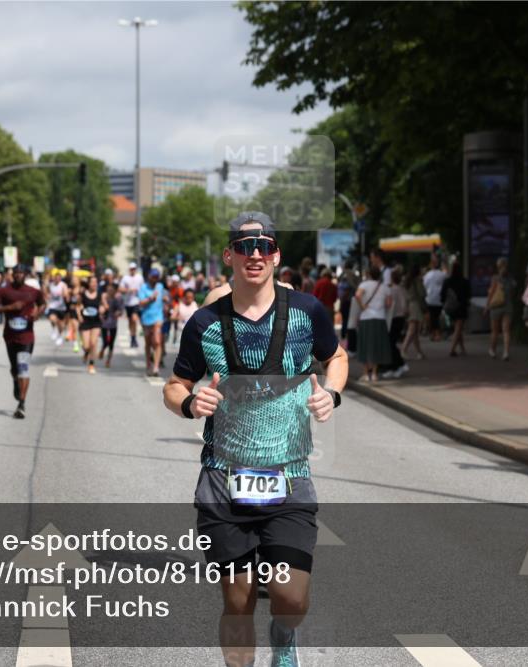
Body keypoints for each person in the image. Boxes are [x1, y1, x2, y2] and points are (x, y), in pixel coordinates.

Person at [163, 211, 348, 667]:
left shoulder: (307, 312)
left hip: (290, 476)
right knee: (239, 599)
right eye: (245, 246)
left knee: (291, 597)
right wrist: (189, 404)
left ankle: (284, 636)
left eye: (264, 246)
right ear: (229, 255)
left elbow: (337, 356)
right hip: (224, 479)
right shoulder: (203, 322)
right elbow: (174, 385)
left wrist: (332, 394)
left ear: (276, 256)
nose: (255, 254)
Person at [0, 264, 45, 419]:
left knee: (23, 368)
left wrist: (38, 314)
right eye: (16, 273)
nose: (19, 275)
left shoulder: (33, 292)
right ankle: (15, 381)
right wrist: (10, 307)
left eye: (22, 273)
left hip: (27, 336)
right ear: (12, 275)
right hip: (10, 336)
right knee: (15, 369)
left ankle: (21, 404)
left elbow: (43, 303)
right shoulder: (4, 290)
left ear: (26, 275)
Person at [355, 264, 392, 382]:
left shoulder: (364, 285)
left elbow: (357, 295)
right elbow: (389, 303)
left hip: (366, 317)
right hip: (380, 318)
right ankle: (375, 373)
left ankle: (366, 373)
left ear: (369, 274)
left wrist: (363, 306)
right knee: (377, 346)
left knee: (365, 345)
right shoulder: (384, 287)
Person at [484, 257, 516, 360]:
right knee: (506, 330)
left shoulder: (495, 279)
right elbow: (513, 294)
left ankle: (492, 350)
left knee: (495, 331)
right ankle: (506, 352)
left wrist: (487, 306)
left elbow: (491, 293)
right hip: (508, 306)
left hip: (496, 307)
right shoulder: (511, 279)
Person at [381, 266, 410, 378]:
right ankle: (396, 366)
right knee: (391, 343)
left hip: (393, 318)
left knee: (390, 343)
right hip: (400, 318)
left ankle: (399, 365)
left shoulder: (392, 290)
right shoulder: (401, 289)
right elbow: (404, 306)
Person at [138, 267, 166, 377]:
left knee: (157, 341)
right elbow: (141, 303)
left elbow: (162, 297)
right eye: (153, 276)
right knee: (148, 343)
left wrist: (165, 299)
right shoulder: (143, 288)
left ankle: (156, 367)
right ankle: (148, 364)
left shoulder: (160, 286)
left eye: (156, 277)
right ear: (149, 277)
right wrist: (150, 299)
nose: (155, 279)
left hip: (158, 318)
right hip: (146, 319)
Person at [441, 261, 471, 357]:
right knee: (458, 328)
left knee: (458, 328)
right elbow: (469, 294)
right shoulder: (465, 281)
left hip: (450, 308)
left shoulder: (447, 281)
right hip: (461, 307)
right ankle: (452, 349)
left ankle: (462, 349)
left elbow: (442, 294)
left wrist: (444, 303)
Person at [77, 275, 103, 375]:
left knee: (93, 343)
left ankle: (91, 364)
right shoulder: (83, 294)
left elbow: (104, 305)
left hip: (96, 321)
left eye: (96, 282)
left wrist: (103, 309)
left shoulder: (100, 294)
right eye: (92, 282)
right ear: (89, 284)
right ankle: (86, 352)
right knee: (86, 345)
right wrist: (79, 315)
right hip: (85, 321)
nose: (94, 284)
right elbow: (78, 306)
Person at [399, 264, 426, 361]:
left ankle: (419, 352)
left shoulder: (406, 280)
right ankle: (404, 349)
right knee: (413, 329)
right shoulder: (417, 280)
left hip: (409, 304)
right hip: (416, 305)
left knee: (414, 331)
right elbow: (422, 293)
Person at [119, 262, 144, 348]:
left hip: (136, 301)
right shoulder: (125, 278)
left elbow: (143, 287)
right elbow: (120, 289)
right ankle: (132, 338)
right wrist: (128, 290)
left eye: (134, 269)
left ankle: (134, 337)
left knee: (134, 319)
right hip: (128, 302)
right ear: (129, 269)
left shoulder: (139, 277)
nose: (133, 270)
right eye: (131, 269)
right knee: (130, 322)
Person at [422, 253, 446, 341]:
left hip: (430, 298)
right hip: (439, 298)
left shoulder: (427, 275)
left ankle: (433, 334)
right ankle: (437, 334)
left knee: (432, 317)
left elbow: (424, 286)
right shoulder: (442, 274)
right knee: (437, 316)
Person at [99, 282, 123, 369]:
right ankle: (102, 350)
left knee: (111, 344)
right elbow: (99, 309)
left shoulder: (118, 299)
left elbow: (121, 310)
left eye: (112, 290)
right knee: (105, 342)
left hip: (113, 324)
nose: (110, 291)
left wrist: (118, 313)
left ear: (115, 291)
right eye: (108, 290)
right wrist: (101, 312)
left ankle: (108, 360)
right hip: (104, 323)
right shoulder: (103, 299)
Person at [44, 270, 69, 347]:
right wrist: (47, 296)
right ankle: (54, 330)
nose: (57, 279)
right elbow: (46, 291)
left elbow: (66, 294)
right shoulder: (51, 285)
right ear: (54, 278)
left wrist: (64, 294)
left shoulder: (63, 285)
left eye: (59, 278)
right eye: (56, 278)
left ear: (60, 279)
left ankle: (60, 336)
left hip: (61, 307)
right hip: (53, 306)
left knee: (61, 325)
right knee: (52, 319)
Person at [337, 261, 359, 342]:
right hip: (351, 300)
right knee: (349, 320)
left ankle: (343, 336)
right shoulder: (353, 275)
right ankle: (348, 337)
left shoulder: (342, 275)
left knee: (345, 319)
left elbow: (340, 285)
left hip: (343, 300)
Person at [67, 276, 82, 352]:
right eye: (73, 280)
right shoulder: (71, 290)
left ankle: (82, 340)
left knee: (80, 328)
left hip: (81, 311)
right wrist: (68, 294)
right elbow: (68, 301)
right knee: (75, 328)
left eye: (75, 280)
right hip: (73, 311)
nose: (73, 281)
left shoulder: (82, 290)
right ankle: (75, 344)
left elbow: (82, 302)